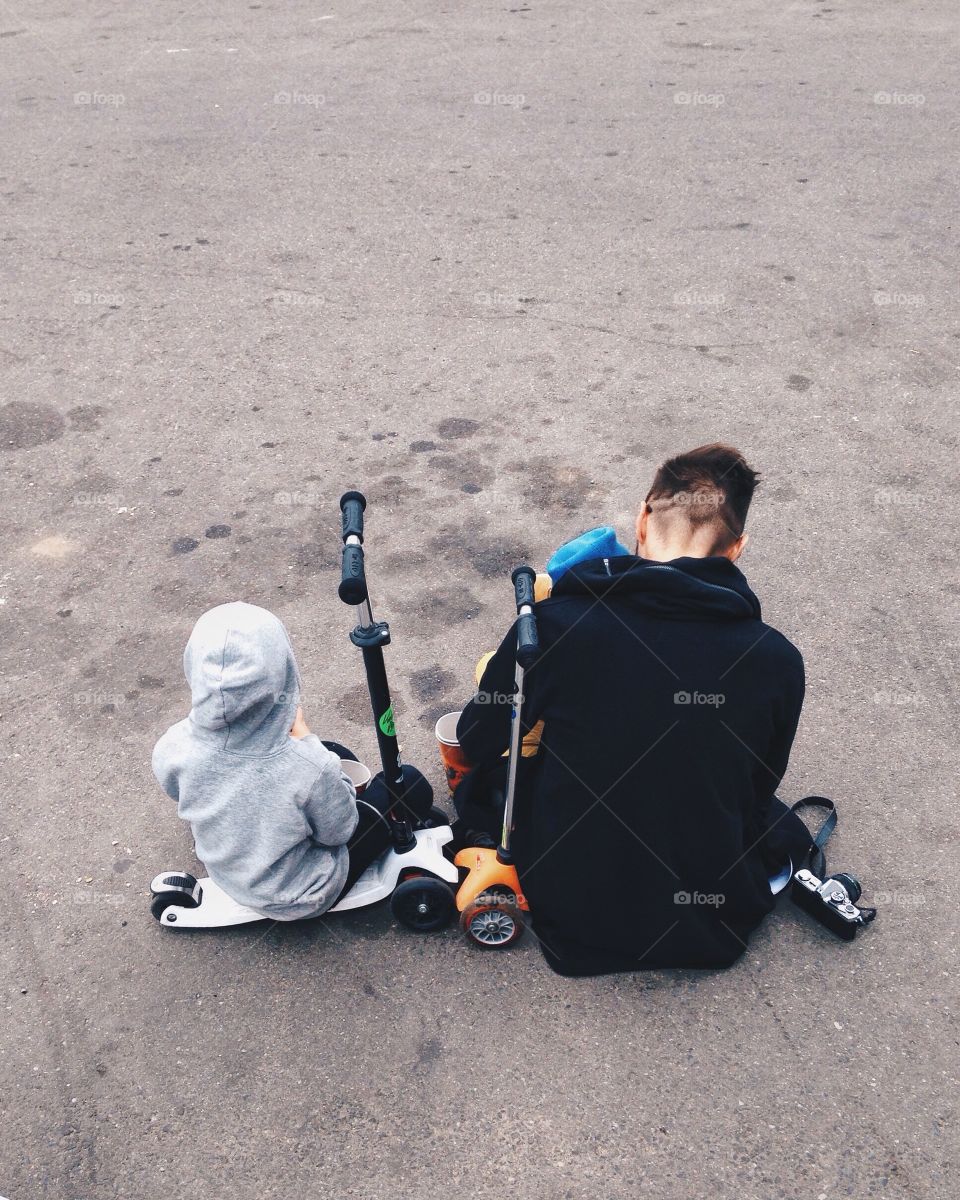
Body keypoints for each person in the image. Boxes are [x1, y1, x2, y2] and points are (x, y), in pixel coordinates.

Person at [456, 444, 809, 975]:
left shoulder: (553, 627)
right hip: (711, 923)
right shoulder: (777, 659)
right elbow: (758, 787)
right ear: (737, 548)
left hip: (572, 911)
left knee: (491, 780)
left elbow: (475, 738)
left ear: (643, 518)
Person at [152, 601, 433, 920]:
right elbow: (339, 833)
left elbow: (182, 790)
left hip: (227, 872)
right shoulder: (309, 766)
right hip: (303, 892)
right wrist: (307, 741)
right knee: (410, 784)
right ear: (283, 674)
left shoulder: (172, 745)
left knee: (334, 752)